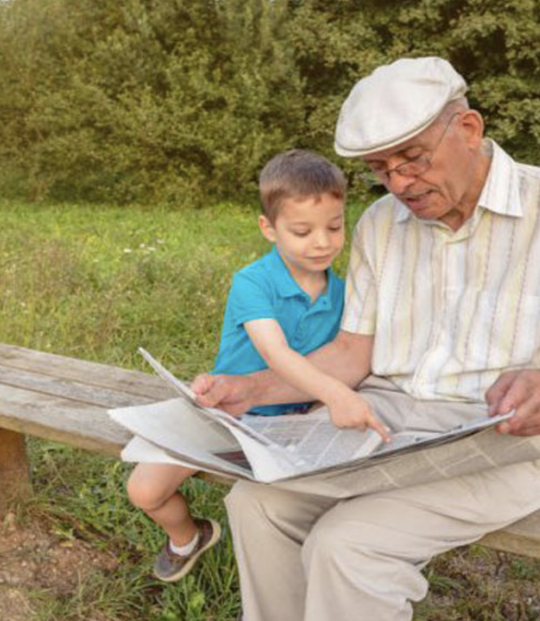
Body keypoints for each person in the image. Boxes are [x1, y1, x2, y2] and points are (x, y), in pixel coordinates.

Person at [192, 57, 540, 621]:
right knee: (256, 502)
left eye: (412, 160)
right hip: (380, 424)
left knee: (349, 545)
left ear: (468, 130)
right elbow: (351, 353)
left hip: (500, 443)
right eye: (379, 170)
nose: (399, 183)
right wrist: (249, 390)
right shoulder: (380, 224)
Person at [126, 149, 387, 583]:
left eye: (335, 226)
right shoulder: (252, 281)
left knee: (307, 508)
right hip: (231, 411)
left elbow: (352, 354)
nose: (322, 242)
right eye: (302, 231)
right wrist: (337, 394)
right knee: (144, 490)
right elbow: (276, 354)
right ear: (269, 228)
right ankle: (188, 538)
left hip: (298, 421)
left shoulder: (345, 293)